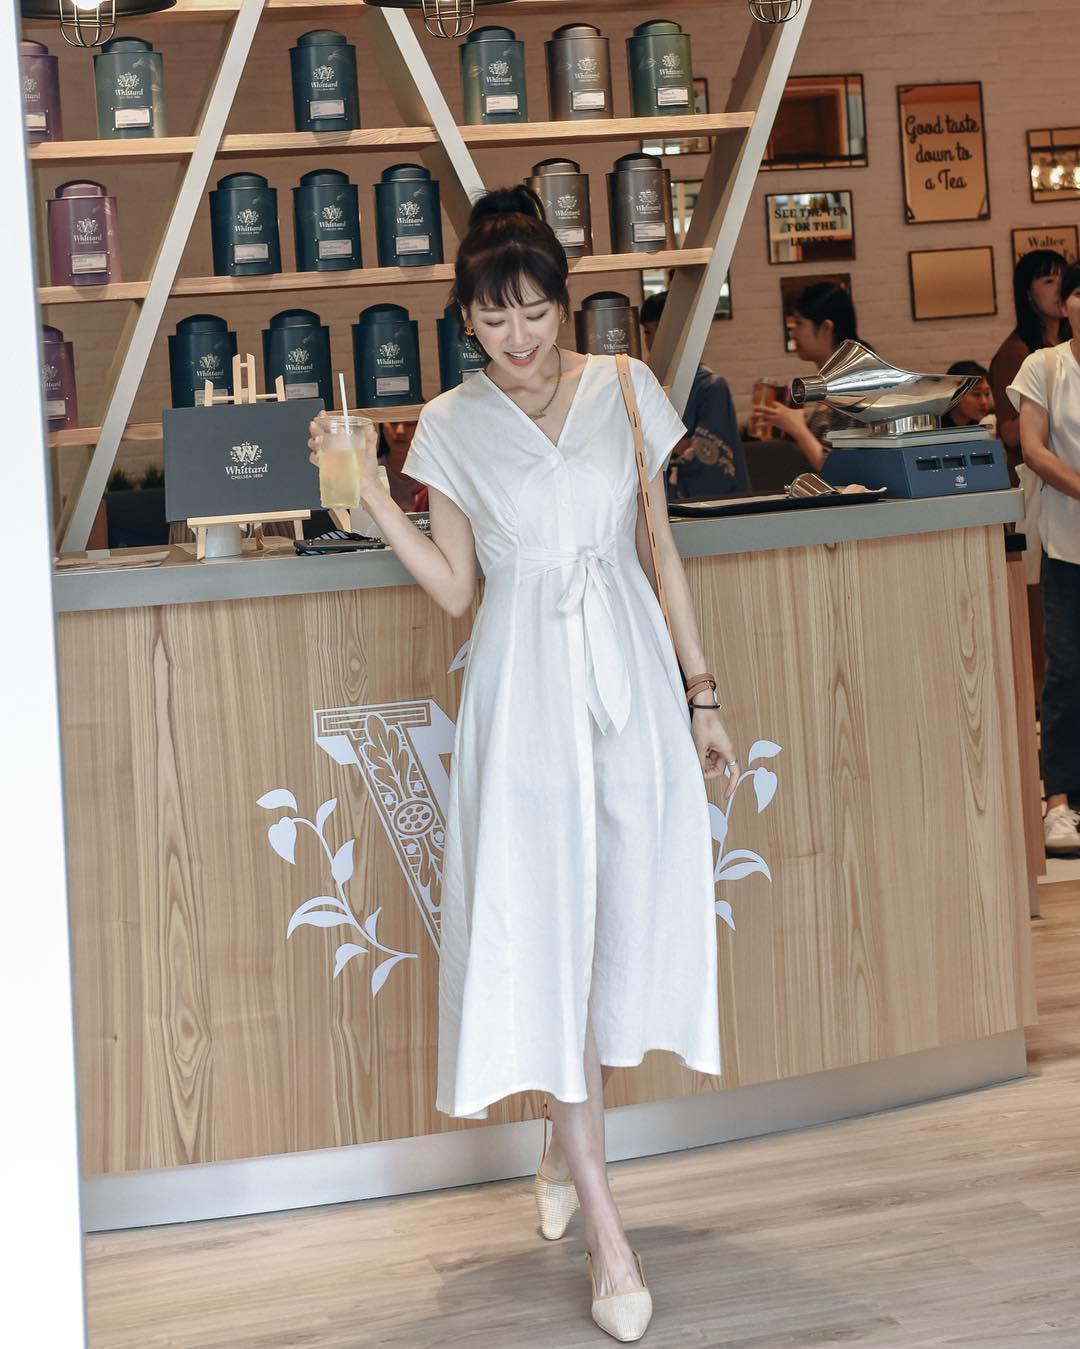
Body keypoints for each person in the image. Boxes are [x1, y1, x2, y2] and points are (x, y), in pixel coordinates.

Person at [309, 185, 738, 1342]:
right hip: (525, 698)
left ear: (564, 302)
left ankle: (561, 1142)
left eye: (535, 310)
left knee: (617, 923)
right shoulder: (449, 423)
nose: (518, 336)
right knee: (550, 930)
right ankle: (607, 1225)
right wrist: (371, 492)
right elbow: (458, 588)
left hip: (629, 681)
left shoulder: (625, 387)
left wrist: (701, 694)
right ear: (465, 319)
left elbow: (659, 549)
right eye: (494, 317)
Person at [1007, 259, 1080, 855]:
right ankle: (1058, 800)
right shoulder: (1046, 366)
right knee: (1066, 673)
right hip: (1067, 546)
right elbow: (1033, 449)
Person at [639, 290, 751, 498]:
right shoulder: (647, 384)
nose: (653, 340)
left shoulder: (710, 386)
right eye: (647, 332)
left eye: (660, 330)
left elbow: (710, 456)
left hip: (707, 501)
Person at [756, 280, 864, 470]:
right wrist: (788, 429)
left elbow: (839, 470)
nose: (793, 333)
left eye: (799, 323)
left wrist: (798, 429)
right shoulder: (832, 382)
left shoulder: (852, 385)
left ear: (826, 328)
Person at [990, 249, 1070, 481]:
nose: (1060, 288)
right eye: (1049, 281)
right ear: (1027, 293)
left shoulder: (1068, 344)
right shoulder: (1016, 353)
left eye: (1064, 279)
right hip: (1037, 481)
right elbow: (1010, 433)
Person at [377, 419, 428, 512]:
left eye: (409, 424)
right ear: (382, 427)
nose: (400, 431)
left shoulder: (431, 474)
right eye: (393, 423)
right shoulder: (372, 473)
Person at [943, 361, 994, 432]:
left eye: (987, 394)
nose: (984, 401)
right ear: (955, 394)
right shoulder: (937, 423)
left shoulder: (991, 421)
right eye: (976, 394)